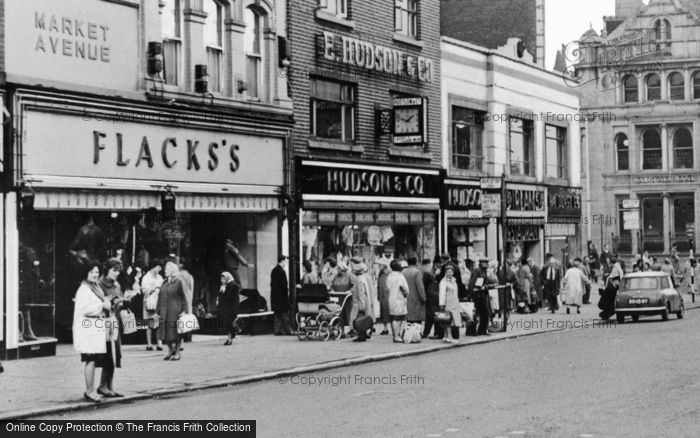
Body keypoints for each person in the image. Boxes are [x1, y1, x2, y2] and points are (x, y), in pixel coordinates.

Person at [72, 262, 120, 402]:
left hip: (95, 327)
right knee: (90, 359)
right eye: (92, 272)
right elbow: (85, 308)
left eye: (97, 272)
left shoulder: (95, 287)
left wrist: (106, 303)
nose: (95, 274)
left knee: (93, 358)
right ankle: (89, 391)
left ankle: (92, 390)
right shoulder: (84, 289)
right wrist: (102, 305)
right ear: (86, 273)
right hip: (87, 329)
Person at [97, 258, 126, 398]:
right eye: (114, 270)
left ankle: (110, 386)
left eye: (118, 271)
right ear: (107, 269)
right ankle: (103, 385)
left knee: (115, 354)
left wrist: (122, 301)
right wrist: (110, 302)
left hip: (115, 321)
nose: (116, 274)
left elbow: (118, 300)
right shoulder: (100, 284)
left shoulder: (117, 285)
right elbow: (98, 303)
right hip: (105, 322)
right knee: (108, 354)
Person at [157, 261, 188, 360]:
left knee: (176, 333)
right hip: (164, 311)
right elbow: (160, 297)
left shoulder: (179, 281)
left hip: (175, 311)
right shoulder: (165, 282)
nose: (165, 271)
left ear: (173, 270)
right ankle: (171, 350)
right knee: (165, 333)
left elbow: (185, 297)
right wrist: (157, 311)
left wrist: (184, 311)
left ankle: (177, 351)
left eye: (167, 269)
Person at [468, 258, 494, 336]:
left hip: (482, 294)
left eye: (487, 263)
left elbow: (484, 283)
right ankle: (474, 330)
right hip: (477, 295)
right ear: (481, 263)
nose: (487, 264)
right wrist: (474, 292)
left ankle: (482, 330)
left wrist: (486, 286)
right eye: (485, 263)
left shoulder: (484, 271)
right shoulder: (477, 271)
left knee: (485, 313)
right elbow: (472, 284)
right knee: (478, 313)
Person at [141, 261, 164, 351]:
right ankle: (149, 344)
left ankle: (159, 343)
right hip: (150, 302)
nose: (160, 269)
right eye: (158, 267)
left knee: (159, 323)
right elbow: (143, 291)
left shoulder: (160, 277)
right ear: (153, 267)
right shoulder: (146, 277)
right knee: (150, 324)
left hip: (159, 302)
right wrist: (154, 288)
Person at [349, 260, 373, 342]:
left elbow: (361, 293)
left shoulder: (358, 280)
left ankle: (361, 335)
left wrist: (362, 306)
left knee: (358, 320)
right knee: (362, 319)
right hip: (364, 302)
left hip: (359, 304)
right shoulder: (363, 278)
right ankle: (363, 334)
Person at [387, 260, 409, 343]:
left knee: (393, 317)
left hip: (391, 298)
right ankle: (397, 335)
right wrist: (406, 293)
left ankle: (395, 335)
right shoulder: (400, 276)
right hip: (399, 298)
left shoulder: (389, 276)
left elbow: (387, 286)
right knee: (399, 317)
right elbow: (405, 288)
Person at [439, 263, 462, 344]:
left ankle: (446, 336)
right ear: (445, 272)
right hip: (448, 302)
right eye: (448, 272)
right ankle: (449, 336)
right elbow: (442, 293)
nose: (450, 273)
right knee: (448, 320)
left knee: (449, 319)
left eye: (451, 272)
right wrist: (441, 304)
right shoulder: (443, 281)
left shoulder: (454, 280)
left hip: (454, 302)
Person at [271, 255, 293, 336]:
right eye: (285, 261)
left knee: (277, 313)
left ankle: (277, 330)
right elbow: (284, 286)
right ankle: (287, 330)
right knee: (284, 313)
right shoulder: (282, 272)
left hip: (275, 296)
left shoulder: (274, 270)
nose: (286, 263)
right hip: (282, 297)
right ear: (282, 261)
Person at [217, 272, 240, 345]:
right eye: (221, 278)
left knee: (230, 324)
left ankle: (229, 338)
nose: (222, 280)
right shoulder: (223, 286)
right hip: (224, 308)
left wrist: (235, 310)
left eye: (223, 278)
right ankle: (229, 338)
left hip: (230, 308)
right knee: (227, 324)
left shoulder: (233, 286)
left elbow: (235, 299)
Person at [403, 256, 427, 327]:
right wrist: (423, 297)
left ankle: (409, 334)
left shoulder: (403, 272)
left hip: (406, 297)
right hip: (416, 298)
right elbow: (420, 286)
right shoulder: (417, 272)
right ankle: (415, 335)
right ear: (416, 262)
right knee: (416, 319)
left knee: (409, 320)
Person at [376, 259, 392, 336]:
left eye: (380, 265)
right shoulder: (380, 273)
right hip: (382, 296)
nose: (379, 266)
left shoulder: (389, 273)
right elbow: (379, 286)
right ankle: (385, 328)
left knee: (390, 312)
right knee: (383, 313)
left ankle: (393, 328)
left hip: (388, 295)